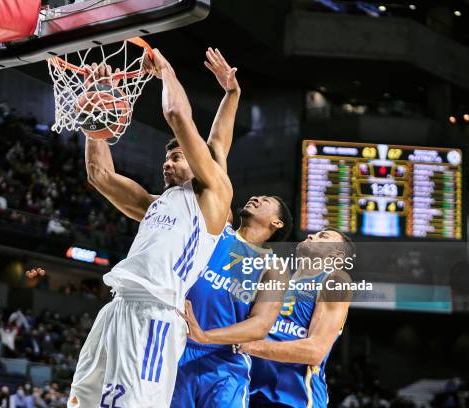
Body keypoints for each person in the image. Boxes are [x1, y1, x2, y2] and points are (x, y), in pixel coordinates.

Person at [68, 48, 233, 408]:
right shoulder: (152, 203)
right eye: (165, 158)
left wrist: (166, 68)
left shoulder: (212, 197)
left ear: (198, 161)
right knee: (83, 403)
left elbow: (179, 116)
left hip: (156, 314)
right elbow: (99, 175)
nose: (166, 163)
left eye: (175, 157)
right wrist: (96, 112)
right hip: (115, 309)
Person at [169, 48, 292, 408]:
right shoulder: (217, 226)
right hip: (175, 351)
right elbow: (217, 149)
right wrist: (232, 94)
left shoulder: (272, 267)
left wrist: (207, 336)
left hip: (222, 364)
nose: (256, 198)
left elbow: (260, 325)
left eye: (267, 200)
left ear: (277, 223)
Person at [241, 228, 355, 408]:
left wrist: (249, 346)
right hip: (251, 391)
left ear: (337, 257)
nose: (311, 236)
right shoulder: (278, 281)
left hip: (295, 399)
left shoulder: (335, 280)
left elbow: (315, 351)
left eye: (323, 237)